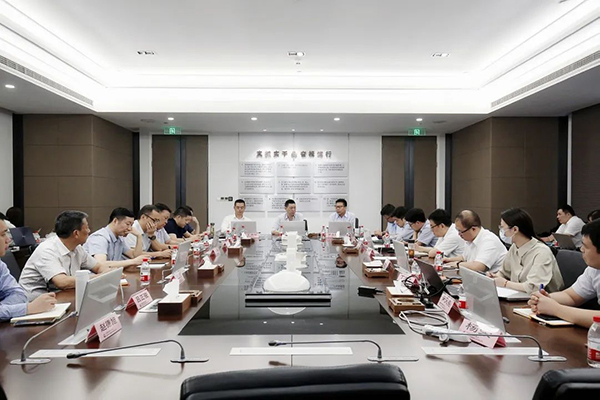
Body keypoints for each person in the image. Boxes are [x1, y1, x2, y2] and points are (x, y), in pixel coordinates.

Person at [19, 211, 111, 300]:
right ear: (76, 233)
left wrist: (107, 273)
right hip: (35, 299)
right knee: (87, 299)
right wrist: (98, 278)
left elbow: (98, 267)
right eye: (87, 227)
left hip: (60, 293)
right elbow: (62, 282)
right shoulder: (47, 250)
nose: (89, 231)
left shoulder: (77, 248)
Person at [528, 219, 600, 328]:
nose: (581, 249)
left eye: (586, 246)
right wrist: (545, 299)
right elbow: (571, 296)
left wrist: (556, 309)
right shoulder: (594, 269)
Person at [488, 208, 564, 294]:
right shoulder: (514, 247)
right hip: (518, 295)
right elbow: (504, 273)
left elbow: (533, 287)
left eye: (502, 228)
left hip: (543, 298)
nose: (501, 232)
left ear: (515, 229)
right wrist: (495, 277)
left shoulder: (542, 252)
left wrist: (505, 283)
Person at [0, 219, 57, 321]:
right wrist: (27, 308)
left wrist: (3, 309)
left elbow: (19, 294)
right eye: (3, 234)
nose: (8, 239)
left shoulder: (0, 265)